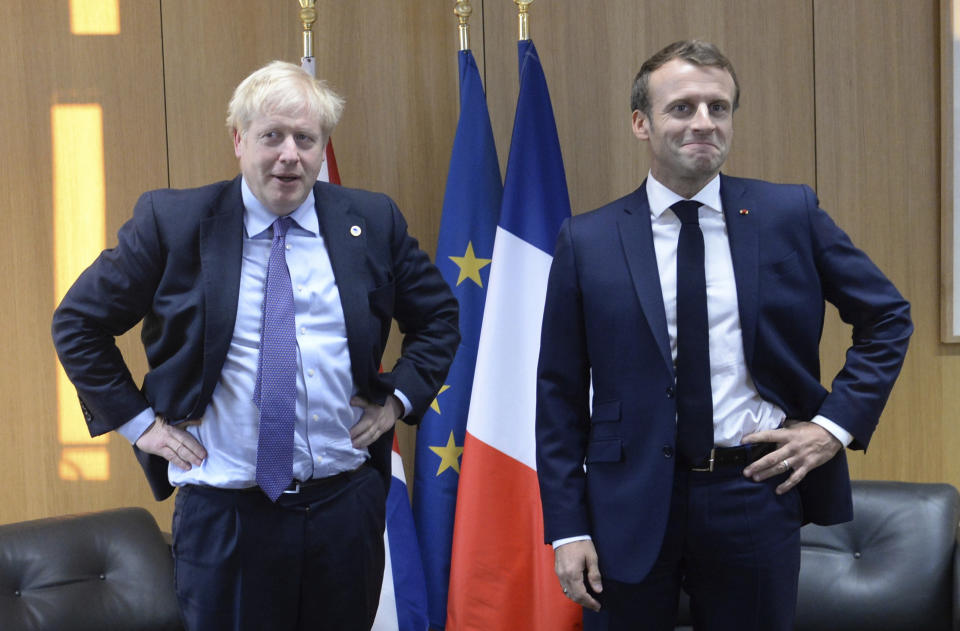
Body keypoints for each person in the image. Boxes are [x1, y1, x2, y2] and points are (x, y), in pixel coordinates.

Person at [52, 60, 459, 630]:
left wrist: (398, 401)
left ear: (322, 149)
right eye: (271, 135)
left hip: (344, 512)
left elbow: (439, 315)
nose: (289, 154)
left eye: (305, 139)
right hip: (228, 519)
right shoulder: (174, 223)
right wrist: (140, 424)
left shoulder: (370, 220)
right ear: (239, 139)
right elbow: (78, 323)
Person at [535, 40, 912, 631]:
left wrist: (832, 427)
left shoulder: (789, 212)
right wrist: (567, 527)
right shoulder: (588, 240)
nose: (703, 122)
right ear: (641, 122)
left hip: (753, 491)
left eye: (719, 107)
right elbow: (557, 394)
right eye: (682, 108)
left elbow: (887, 317)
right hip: (626, 501)